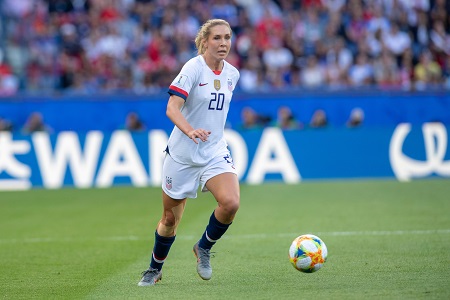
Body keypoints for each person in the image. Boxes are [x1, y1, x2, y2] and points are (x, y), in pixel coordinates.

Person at [138, 19, 240, 286]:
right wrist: (190, 130)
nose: (223, 43)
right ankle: (154, 268)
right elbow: (172, 108)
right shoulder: (193, 69)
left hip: (214, 151)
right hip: (183, 154)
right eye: (217, 38)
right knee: (170, 219)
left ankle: (203, 247)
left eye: (227, 38)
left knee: (230, 203)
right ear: (204, 41)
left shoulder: (232, 74)